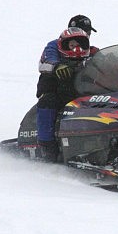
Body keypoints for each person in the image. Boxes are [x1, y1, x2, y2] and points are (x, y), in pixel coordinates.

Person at [35, 15, 99, 161]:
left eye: (88, 32)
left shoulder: (90, 50)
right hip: (57, 87)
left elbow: (103, 60)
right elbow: (46, 61)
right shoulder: (54, 45)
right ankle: (47, 146)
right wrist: (58, 66)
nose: (86, 34)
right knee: (48, 100)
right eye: (84, 30)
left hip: (82, 89)